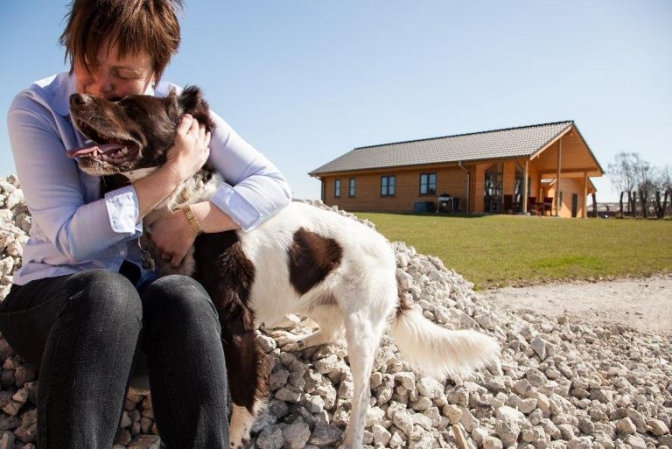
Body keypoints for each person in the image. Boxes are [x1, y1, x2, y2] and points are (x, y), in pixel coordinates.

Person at [0, 0, 292, 448]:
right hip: (54, 309)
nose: (99, 85)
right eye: (88, 62)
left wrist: (190, 219)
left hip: (139, 329)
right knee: (107, 292)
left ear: (155, 73)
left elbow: (273, 184)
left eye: (123, 73)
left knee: (186, 296)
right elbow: (69, 239)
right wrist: (174, 172)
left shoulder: (175, 115)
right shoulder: (37, 108)